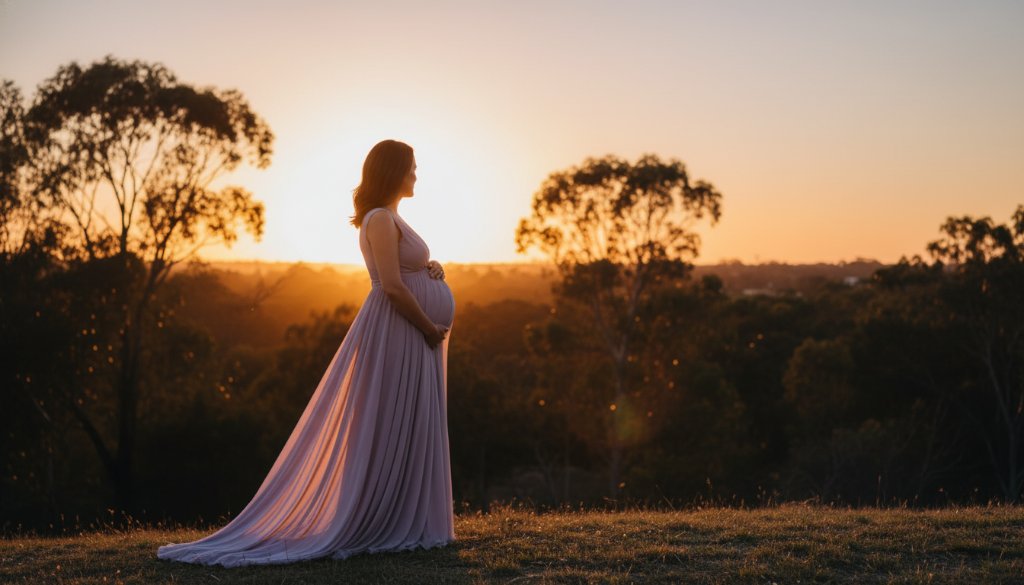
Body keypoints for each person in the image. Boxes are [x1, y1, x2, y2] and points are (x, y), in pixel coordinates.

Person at [157, 139, 457, 567]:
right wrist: (429, 327)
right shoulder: (378, 219)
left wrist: (431, 269)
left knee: (409, 419)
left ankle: (407, 515)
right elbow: (390, 286)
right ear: (392, 171)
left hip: (412, 335)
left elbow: (403, 272)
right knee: (390, 418)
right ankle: (382, 516)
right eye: (411, 167)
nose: (416, 175)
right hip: (401, 332)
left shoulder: (391, 218)